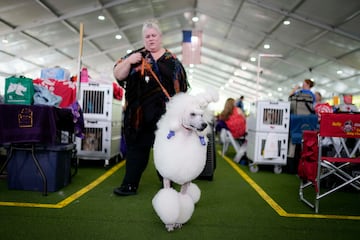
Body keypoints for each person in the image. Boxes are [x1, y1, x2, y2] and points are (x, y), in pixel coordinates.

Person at [112, 19, 188, 196]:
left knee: (166, 152)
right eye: (147, 36)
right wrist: (129, 61)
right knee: (136, 152)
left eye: (154, 35)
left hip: (166, 118)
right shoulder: (135, 56)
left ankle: (167, 185)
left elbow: (181, 89)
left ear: (160, 37)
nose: (151, 39)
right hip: (138, 117)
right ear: (143, 39)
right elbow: (118, 74)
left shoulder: (172, 61)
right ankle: (129, 185)